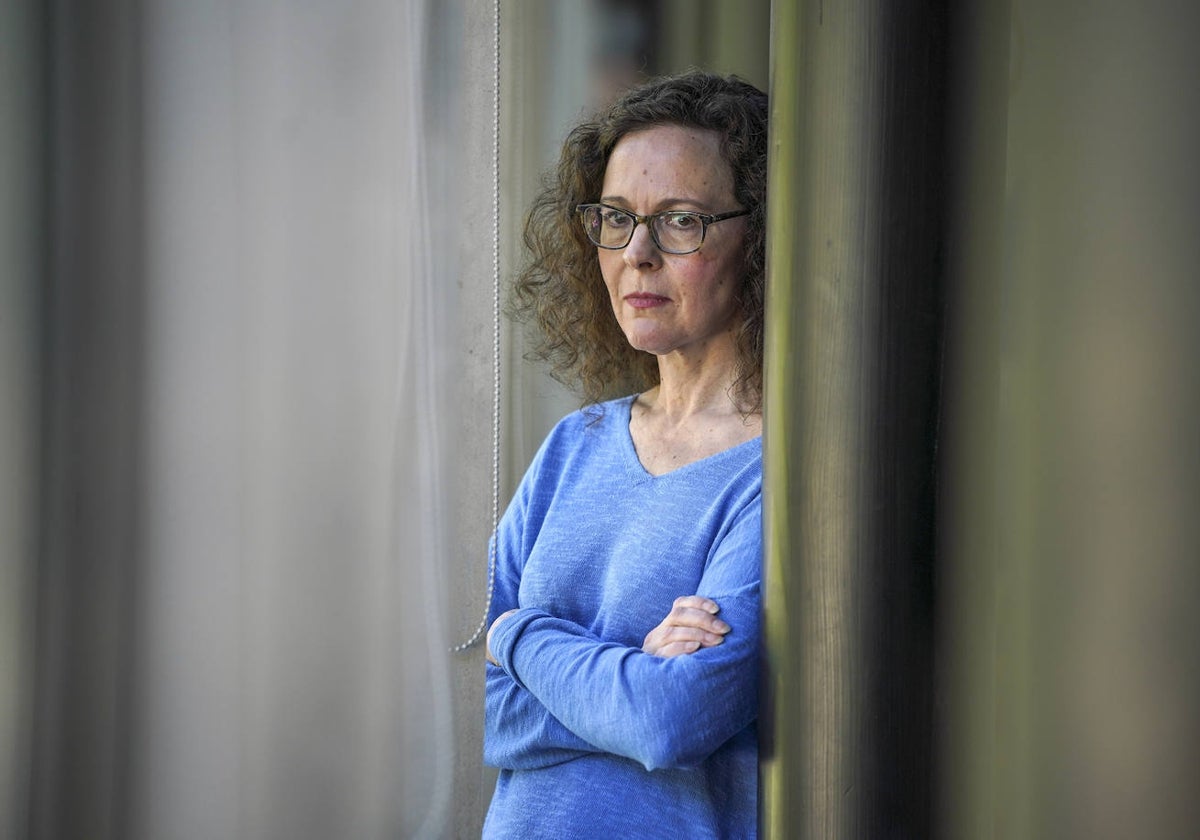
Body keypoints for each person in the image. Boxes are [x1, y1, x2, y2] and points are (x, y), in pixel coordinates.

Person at [483, 70, 767, 840]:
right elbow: (491, 713)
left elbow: (673, 719)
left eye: (680, 221)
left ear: (760, 239)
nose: (637, 253)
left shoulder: (775, 474)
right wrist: (632, 670)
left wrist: (517, 637)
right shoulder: (573, 446)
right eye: (616, 217)